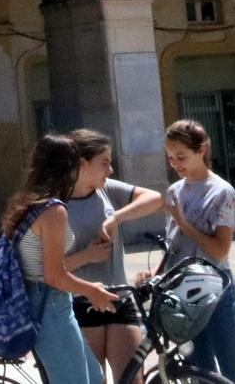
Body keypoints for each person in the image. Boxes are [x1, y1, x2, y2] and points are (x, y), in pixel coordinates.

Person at [3, 133, 120, 384]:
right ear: (68, 167)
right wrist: (91, 290)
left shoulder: (27, 203)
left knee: (95, 377)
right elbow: (53, 275)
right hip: (50, 306)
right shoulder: (54, 211)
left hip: (41, 302)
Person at [65, 128, 164, 384]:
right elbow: (47, 267)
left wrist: (116, 217)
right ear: (82, 164)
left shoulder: (106, 189)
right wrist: (87, 256)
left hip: (120, 296)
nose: (110, 170)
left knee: (133, 379)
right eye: (105, 163)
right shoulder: (56, 203)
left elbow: (154, 198)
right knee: (92, 380)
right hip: (81, 301)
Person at [157, 119, 235, 384]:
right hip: (183, 292)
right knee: (198, 369)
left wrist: (185, 223)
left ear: (202, 150)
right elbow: (173, 243)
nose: (176, 164)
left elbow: (220, 252)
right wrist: (156, 274)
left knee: (233, 369)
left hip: (217, 289)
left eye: (181, 156)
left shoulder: (222, 192)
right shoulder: (174, 190)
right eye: (171, 158)